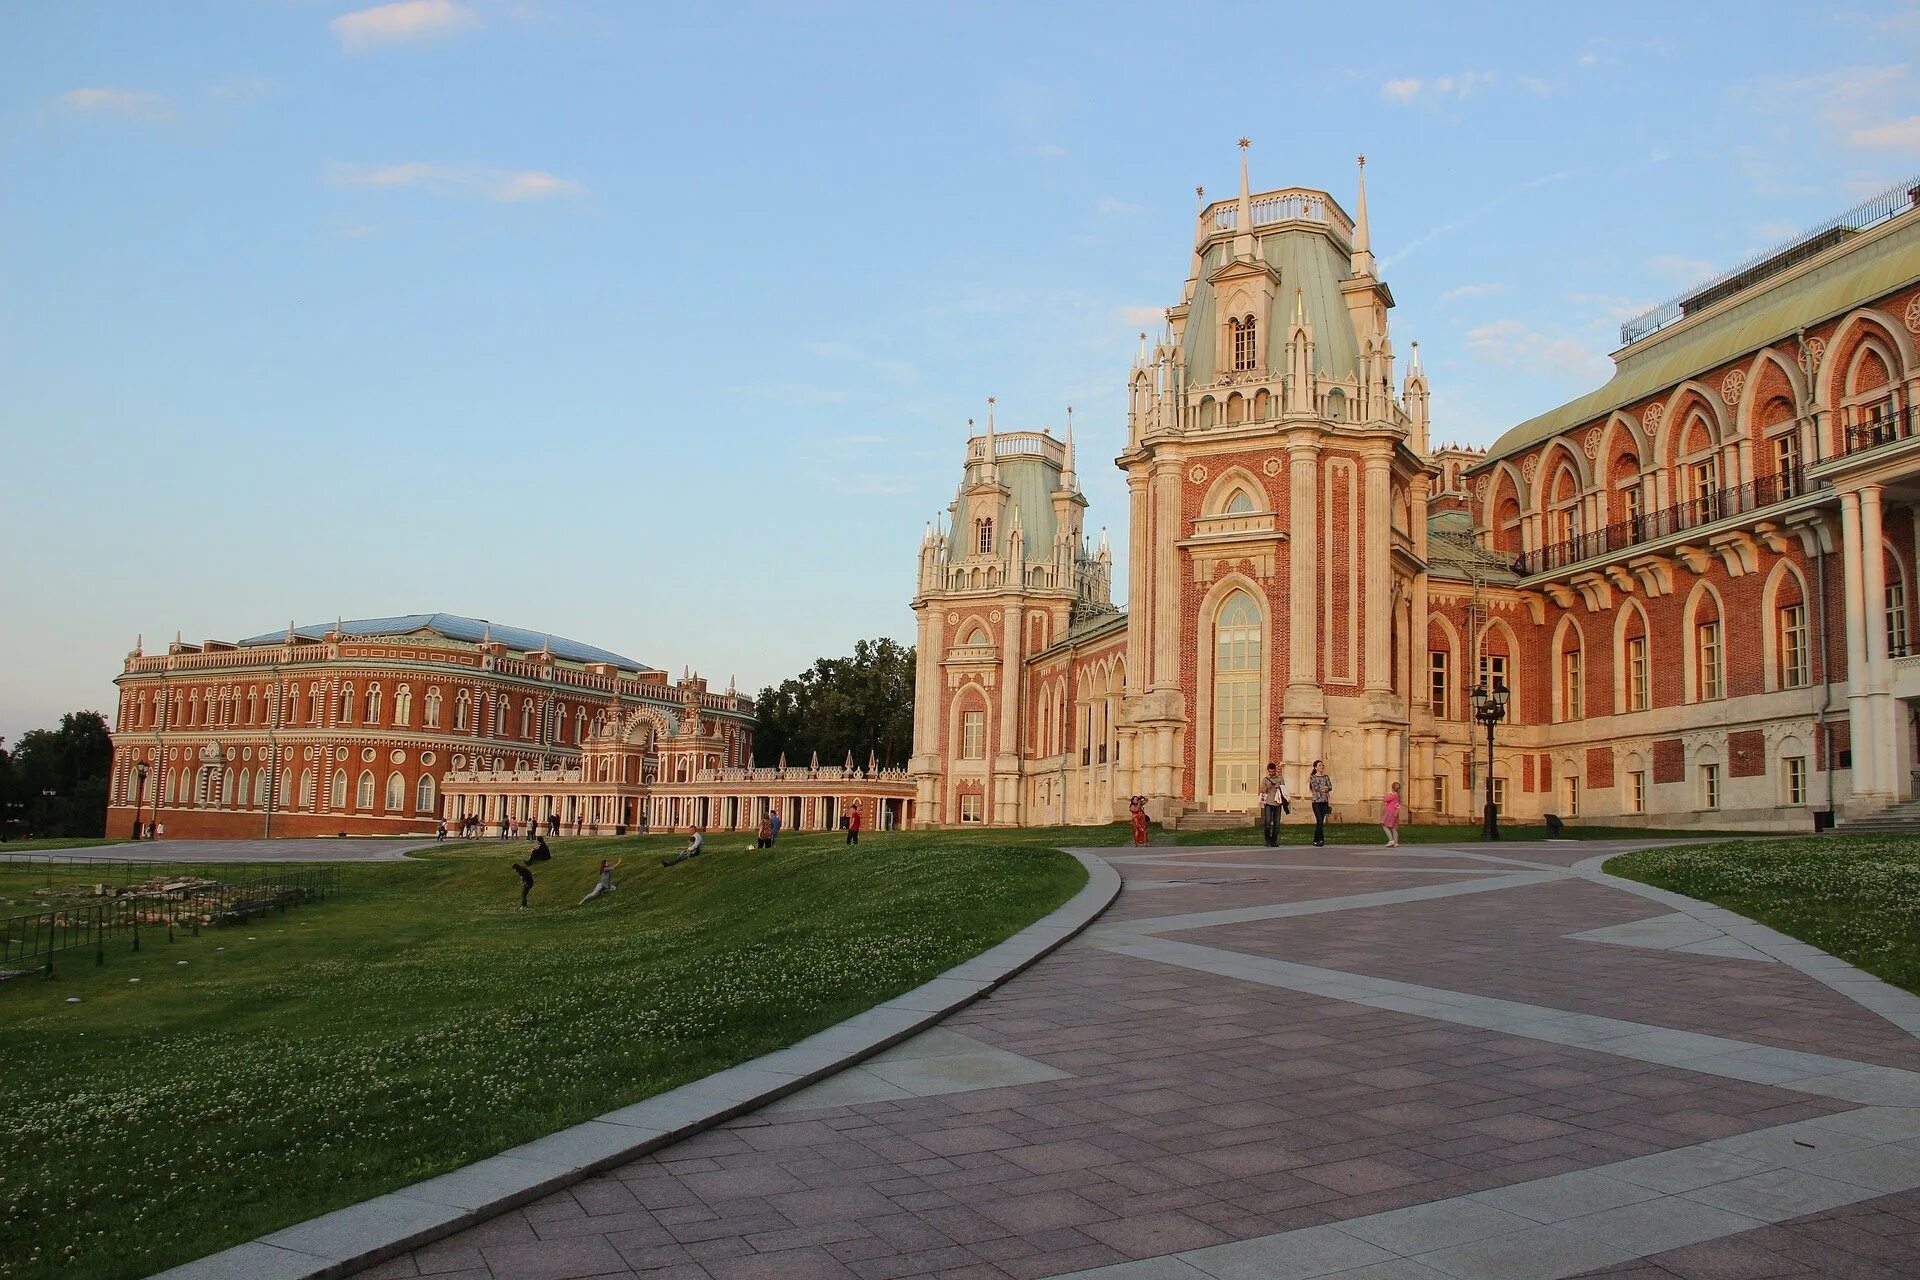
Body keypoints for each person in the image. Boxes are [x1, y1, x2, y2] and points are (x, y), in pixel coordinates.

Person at [1258, 763, 1290, 848]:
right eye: (1270, 771)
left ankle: (1274, 841)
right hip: (1268, 803)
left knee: (1277, 823)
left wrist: (1278, 786)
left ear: (1275, 770)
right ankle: (1267, 840)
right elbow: (1261, 790)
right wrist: (1267, 787)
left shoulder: (1280, 778)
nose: (1271, 773)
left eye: (1273, 771)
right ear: (1268, 771)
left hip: (1277, 803)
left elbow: (1284, 790)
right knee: (1267, 822)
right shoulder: (1265, 779)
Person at [1308, 761, 1333, 847]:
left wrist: (1324, 788)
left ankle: (1316, 839)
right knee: (1319, 820)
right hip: (1316, 802)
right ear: (1315, 767)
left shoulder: (1326, 777)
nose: (1322, 766)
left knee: (1321, 821)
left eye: (1322, 765)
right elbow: (1315, 787)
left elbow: (1330, 787)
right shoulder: (1313, 777)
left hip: (1324, 801)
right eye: (1319, 765)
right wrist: (1324, 788)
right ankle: (1321, 839)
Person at [1381, 781, 1402, 848]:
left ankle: (1391, 840)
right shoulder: (1398, 796)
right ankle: (1395, 842)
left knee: (1384, 825)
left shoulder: (1392, 796)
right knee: (1393, 828)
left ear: (1392, 789)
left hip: (1390, 812)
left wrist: (1388, 794)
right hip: (1395, 813)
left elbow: (1385, 799)